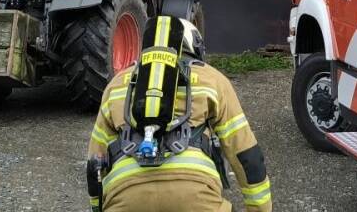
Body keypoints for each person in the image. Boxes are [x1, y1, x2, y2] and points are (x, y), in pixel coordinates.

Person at [86, 14, 272, 212]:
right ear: (194, 47)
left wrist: (97, 207)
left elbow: (95, 162)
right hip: (196, 197)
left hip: (125, 196)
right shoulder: (212, 79)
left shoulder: (117, 84)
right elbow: (247, 155)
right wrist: (260, 209)